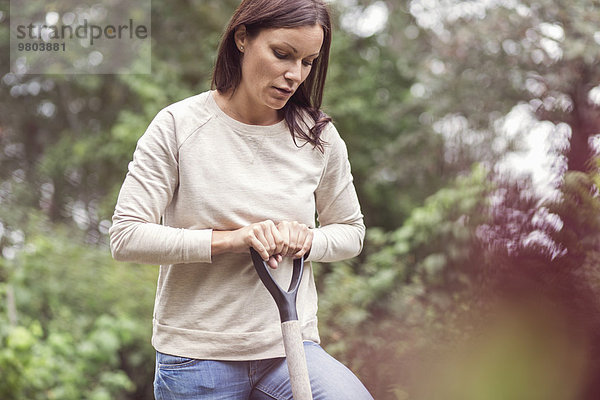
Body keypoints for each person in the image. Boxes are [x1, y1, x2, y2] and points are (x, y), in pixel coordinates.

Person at [109, 0, 372, 398]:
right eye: (282, 54)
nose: (293, 75)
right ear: (242, 38)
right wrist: (232, 239)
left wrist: (307, 240)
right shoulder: (178, 126)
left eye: (307, 62)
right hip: (198, 356)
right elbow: (126, 237)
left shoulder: (317, 137)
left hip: (289, 348)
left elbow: (351, 232)